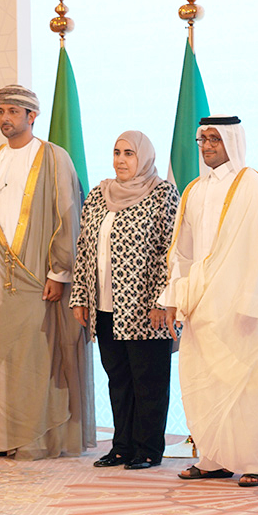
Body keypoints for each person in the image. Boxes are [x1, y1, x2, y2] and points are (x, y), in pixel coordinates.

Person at [157, 115, 258, 487]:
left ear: (232, 142)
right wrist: (174, 297)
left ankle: (256, 459)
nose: (206, 146)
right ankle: (214, 458)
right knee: (206, 383)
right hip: (203, 305)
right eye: (201, 139)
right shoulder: (194, 190)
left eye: (214, 139)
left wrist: (253, 302)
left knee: (250, 383)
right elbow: (182, 253)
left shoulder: (251, 184)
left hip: (242, 306)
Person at [0, 84, 95, 460]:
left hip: (39, 278)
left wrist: (59, 273)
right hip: (0, 279)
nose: (5, 119)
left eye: (13, 111)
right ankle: (5, 435)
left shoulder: (54, 158)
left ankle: (38, 439)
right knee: (2, 355)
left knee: (37, 355)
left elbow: (67, 217)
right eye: (1, 111)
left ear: (32, 116)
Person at [70, 131, 179, 469]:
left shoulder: (162, 193)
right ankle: (122, 446)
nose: (120, 159)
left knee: (149, 381)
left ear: (143, 157)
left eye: (129, 153)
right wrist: (80, 296)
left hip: (147, 310)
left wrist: (163, 300)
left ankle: (148, 448)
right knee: (118, 380)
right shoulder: (99, 195)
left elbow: (171, 250)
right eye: (116, 152)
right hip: (105, 306)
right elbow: (84, 247)